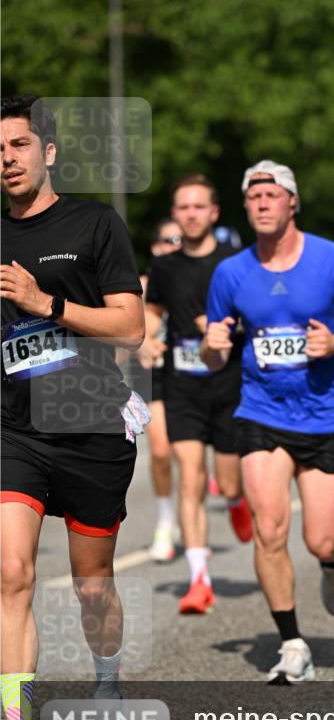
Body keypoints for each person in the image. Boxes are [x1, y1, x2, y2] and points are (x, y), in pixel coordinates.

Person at [0, 95, 147, 720]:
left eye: (20, 144)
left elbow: (129, 327)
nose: (7, 158)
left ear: (48, 152)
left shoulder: (93, 223)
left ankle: (107, 679)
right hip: (14, 430)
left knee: (93, 587)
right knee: (11, 574)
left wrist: (43, 304)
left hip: (89, 424)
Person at [203, 160, 334, 683]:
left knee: (321, 540)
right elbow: (215, 352)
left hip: (326, 414)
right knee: (269, 529)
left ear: (293, 202)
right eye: (253, 196)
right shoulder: (231, 272)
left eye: (272, 194)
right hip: (261, 412)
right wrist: (210, 346)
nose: (262, 202)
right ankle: (291, 643)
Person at [144, 174, 252, 615]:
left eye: (198, 207)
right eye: (182, 208)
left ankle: (236, 500)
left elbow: (255, 316)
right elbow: (152, 312)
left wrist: (227, 328)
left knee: (226, 480)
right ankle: (198, 580)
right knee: (190, 475)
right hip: (182, 386)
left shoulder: (237, 262)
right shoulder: (165, 268)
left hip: (229, 387)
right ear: (175, 214)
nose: (190, 214)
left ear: (214, 212)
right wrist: (146, 338)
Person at [133, 219, 183, 561]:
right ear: (155, 247)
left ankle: (234, 497)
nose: (174, 245)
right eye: (168, 240)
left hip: (194, 377)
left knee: (197, 458)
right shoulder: (140, 286)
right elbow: (121, 330)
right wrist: (140, 346)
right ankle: (166, 522)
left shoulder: (199, 280)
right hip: (155, 378)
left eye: (180, 240)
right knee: (162, 452)